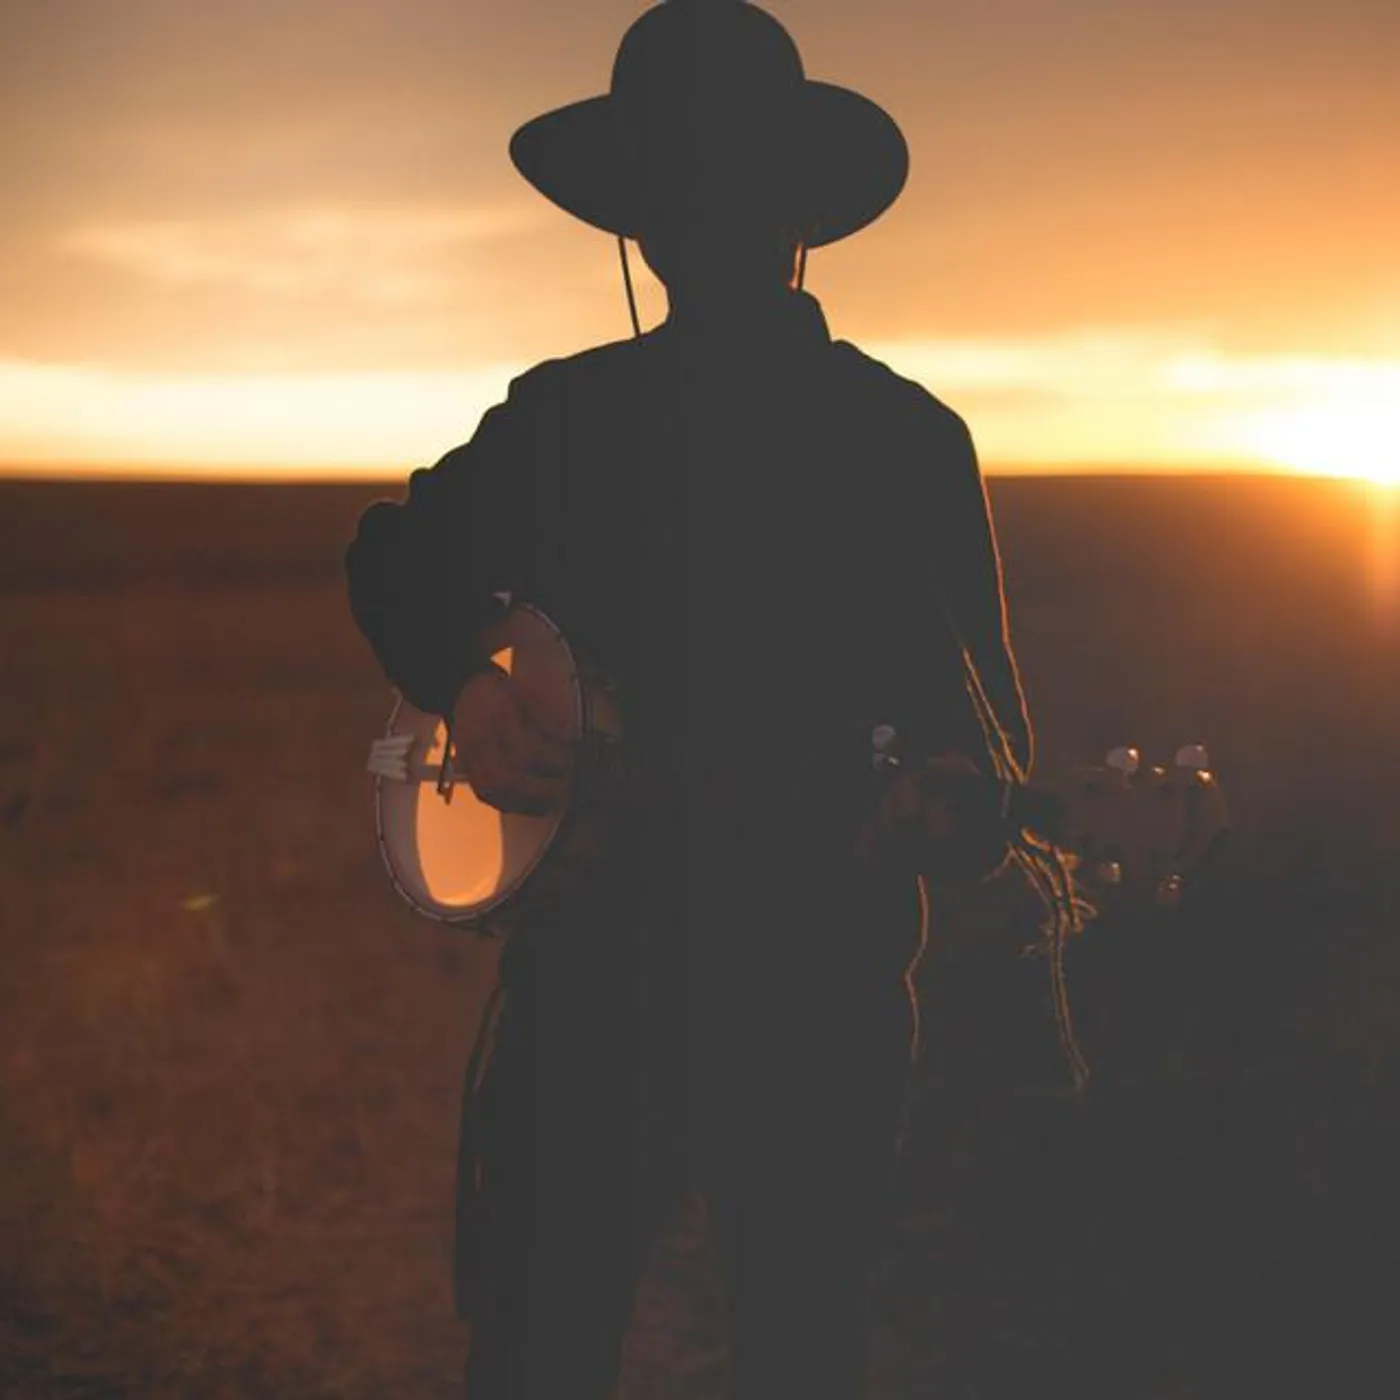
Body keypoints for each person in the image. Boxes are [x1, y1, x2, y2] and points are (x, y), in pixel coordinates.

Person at [344, 3, 1042, 1395]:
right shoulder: (572, 418)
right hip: (640, 997)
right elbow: (396, 558)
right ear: (651, 224)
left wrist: (945, 810)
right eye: (686, 183)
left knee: (759, 1351)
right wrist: (470, 690)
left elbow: (986, 775)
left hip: (788, 1002)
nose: (704, 216)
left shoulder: (889, 442)